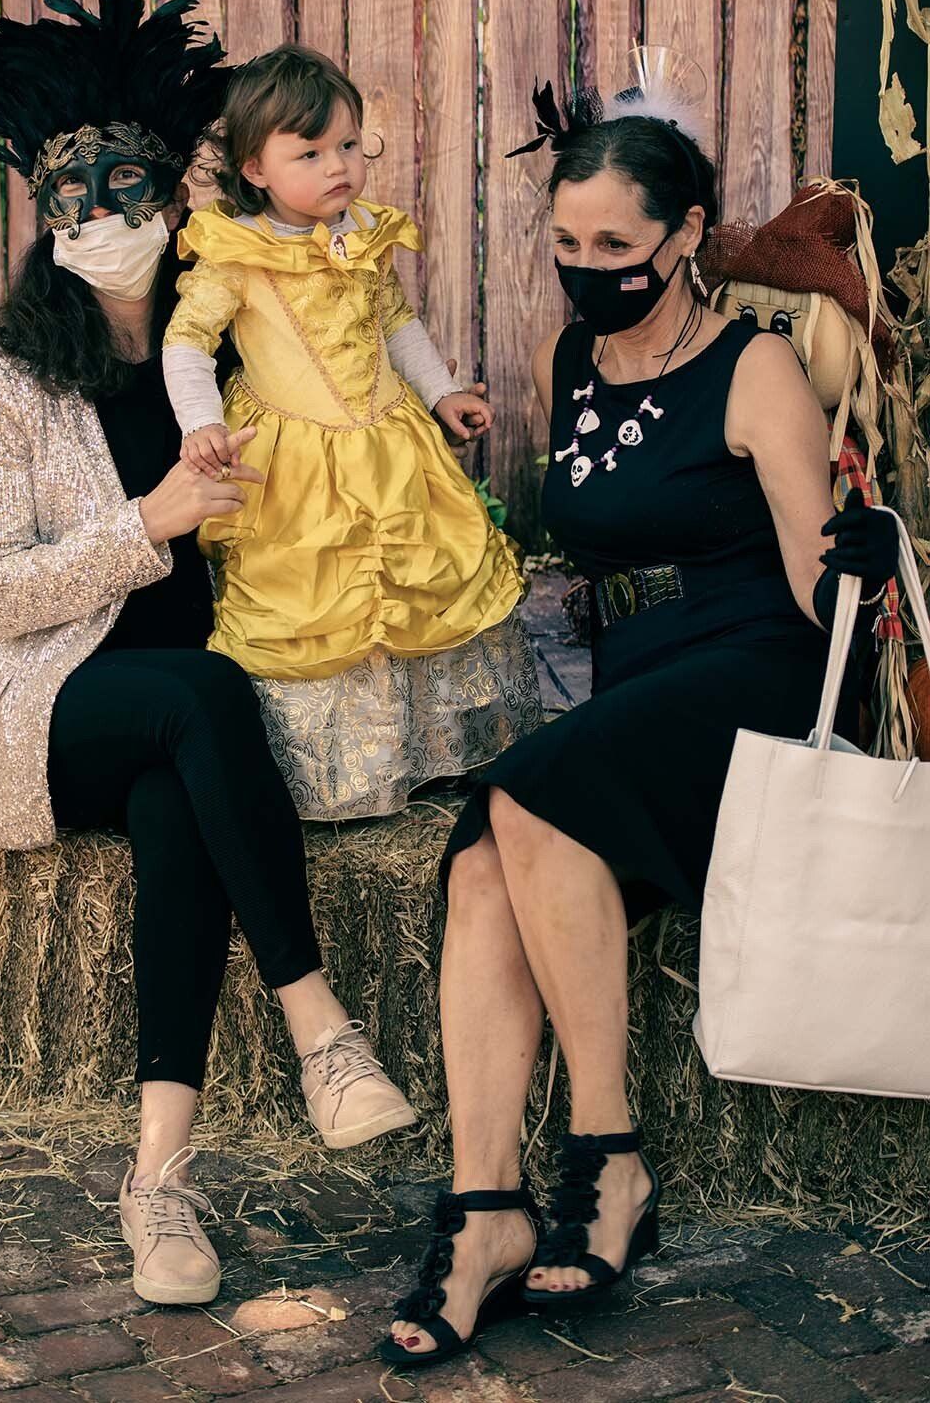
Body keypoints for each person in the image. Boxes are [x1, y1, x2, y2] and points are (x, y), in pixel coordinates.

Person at [380, 70, 900, 1369]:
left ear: (683, 235)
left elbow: (810, 578)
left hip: (749, 666)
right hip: (632, 679)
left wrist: (857, 561)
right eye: (566, 243)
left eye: (614, 244)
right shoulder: (565, 361)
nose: (587, 268)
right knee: (487, 860)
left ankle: (606, 1155)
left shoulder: (751, 366)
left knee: (520, 795)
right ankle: (485, 1212)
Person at [0, 0, 414, 1310]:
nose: (107, 219)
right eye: (77, 200)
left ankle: (159, 1180)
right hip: (53, 702)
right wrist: (153, 518)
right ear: (46, 214)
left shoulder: (229, 345)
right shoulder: (8, 381)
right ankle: (318, 1026)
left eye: (130, 191)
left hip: (196, 717)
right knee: (196, 696)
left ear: (176, 199)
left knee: (181, 805)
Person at [162, 43, 541, 818]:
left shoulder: (364, 232)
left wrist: (440, 394)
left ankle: (427, 749)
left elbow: (395, 321)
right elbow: (187, 342)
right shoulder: (237, 250)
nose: (336, 166)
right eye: (308, 153)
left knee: (415, 583)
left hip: (387, 441)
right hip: (295, 458)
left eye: (345, 144)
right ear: (256, 168)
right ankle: (344, 771)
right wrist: (200, 425)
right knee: (319, 596)